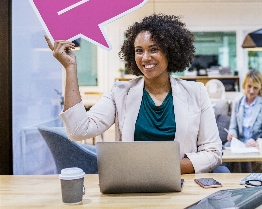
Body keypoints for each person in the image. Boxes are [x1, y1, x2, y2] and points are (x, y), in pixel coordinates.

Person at [45, 14, 222, 174]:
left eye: (154, 49)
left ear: (171, 51)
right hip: (133, 185)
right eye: (139, 50)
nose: (145, 58)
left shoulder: (196, 93)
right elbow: (78, 130)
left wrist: (165, 168)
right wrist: (70, 68)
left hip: (181, 184)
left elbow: (213, 153)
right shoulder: (120, 93)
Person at [227, 69, 262, 147]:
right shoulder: (237, 102)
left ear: (260, 88)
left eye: (255, 87)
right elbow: (233, 127)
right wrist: (232, 134)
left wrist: (257, 142)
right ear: (244, 84)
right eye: (249, 86)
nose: (251, 91)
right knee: (225, 147)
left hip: (257, 145)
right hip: (240, 143)